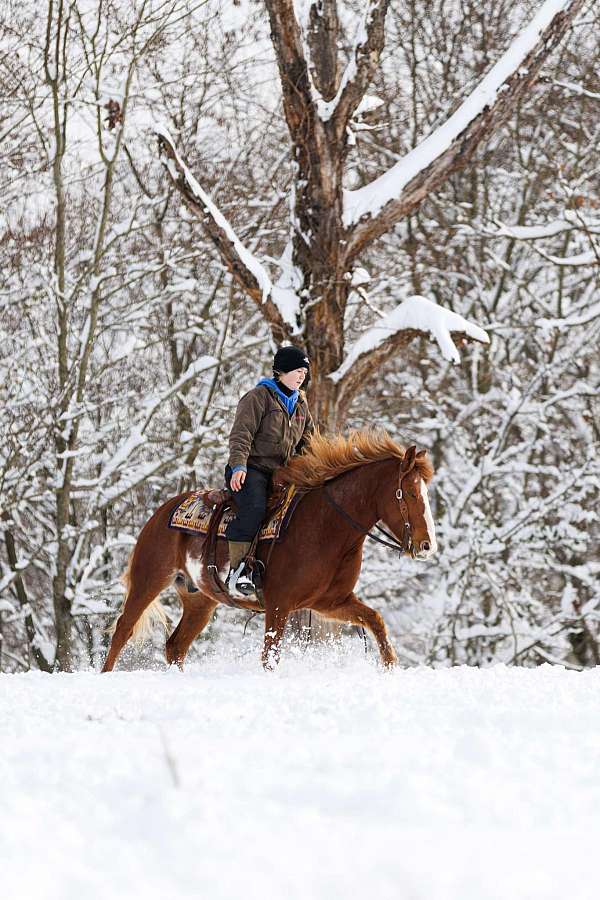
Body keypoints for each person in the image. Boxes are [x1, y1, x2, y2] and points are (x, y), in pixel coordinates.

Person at [224, 346, 315, 595]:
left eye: (304, 372)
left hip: (282, 474)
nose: (301, 376)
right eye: (297, 371)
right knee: (254, 507)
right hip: (252, 469)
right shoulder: (258, 397)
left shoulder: (301, 406)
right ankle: (238, 570)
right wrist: (238, 466)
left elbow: (309, 444)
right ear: (281, 371)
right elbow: (241, 435)